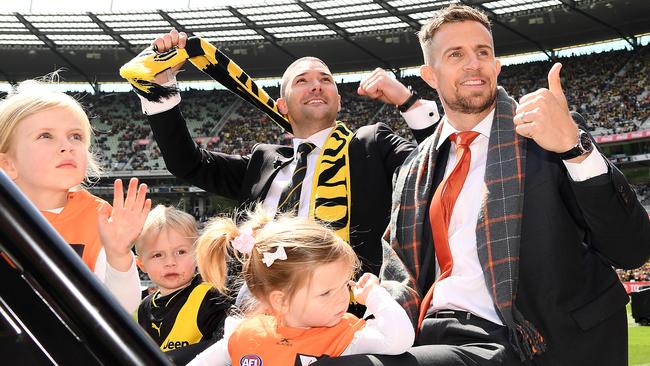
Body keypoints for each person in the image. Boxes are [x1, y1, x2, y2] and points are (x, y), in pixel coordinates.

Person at [317, 5, 650, 366]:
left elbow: (631, 249)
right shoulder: (414, 168)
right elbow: (400, 274)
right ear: (430, 74)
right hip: (437, 333)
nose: (473, 63)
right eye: (456, 54)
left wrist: (576, 149)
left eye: (483, 52)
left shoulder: (549, 134)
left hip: (533, 337)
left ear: (496, 66)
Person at [136, 29, 440, 279]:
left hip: (348, 313)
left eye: (325, 80)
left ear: (339, 102)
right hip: (257, 313)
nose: (316, 86)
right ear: (282, 105)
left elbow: (438, 170)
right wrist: (160, 88)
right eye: (302, 81)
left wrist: (408, 101)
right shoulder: (262, 162)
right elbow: (187, 163)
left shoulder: (371, 144)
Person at [186, 208, 415, 365]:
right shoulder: (245, 335)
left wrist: (375, 295)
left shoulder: (343, 335)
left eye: (343, 285)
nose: (341, 299)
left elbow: (400, 339)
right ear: (280, 300)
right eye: (325, 292)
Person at [0, 79, 148, 313]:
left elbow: (123, 310)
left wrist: (118, 256)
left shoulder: (98, 219)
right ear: (7, 163)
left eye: (76, 136)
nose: (67, 146)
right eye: (46, 136)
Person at [134, 205, 230, 363]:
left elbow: (224, 346)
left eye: (181, 252)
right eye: (158, 255)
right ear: (141, 264)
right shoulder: (145, 308)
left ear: (198, 253)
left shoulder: (211, 295)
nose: (170, 262)